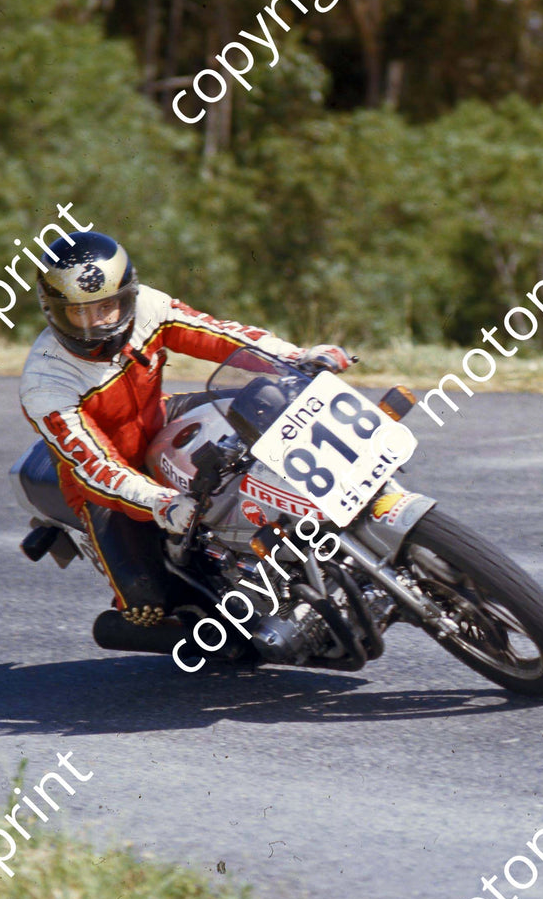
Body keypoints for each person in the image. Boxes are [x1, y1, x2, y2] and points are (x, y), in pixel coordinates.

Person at [18, 230, 349, 648]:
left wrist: (295, 357)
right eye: (80, 313)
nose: (98, 322)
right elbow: (96, 468)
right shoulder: (45, 383)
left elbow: (217, 334)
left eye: (108, 306)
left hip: (161, 416)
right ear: (53, 313)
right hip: (105, 483)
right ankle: (216, 625)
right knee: (146, 606)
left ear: (129, 294)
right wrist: (161, 503)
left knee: (271, 402)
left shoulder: (148, 307)